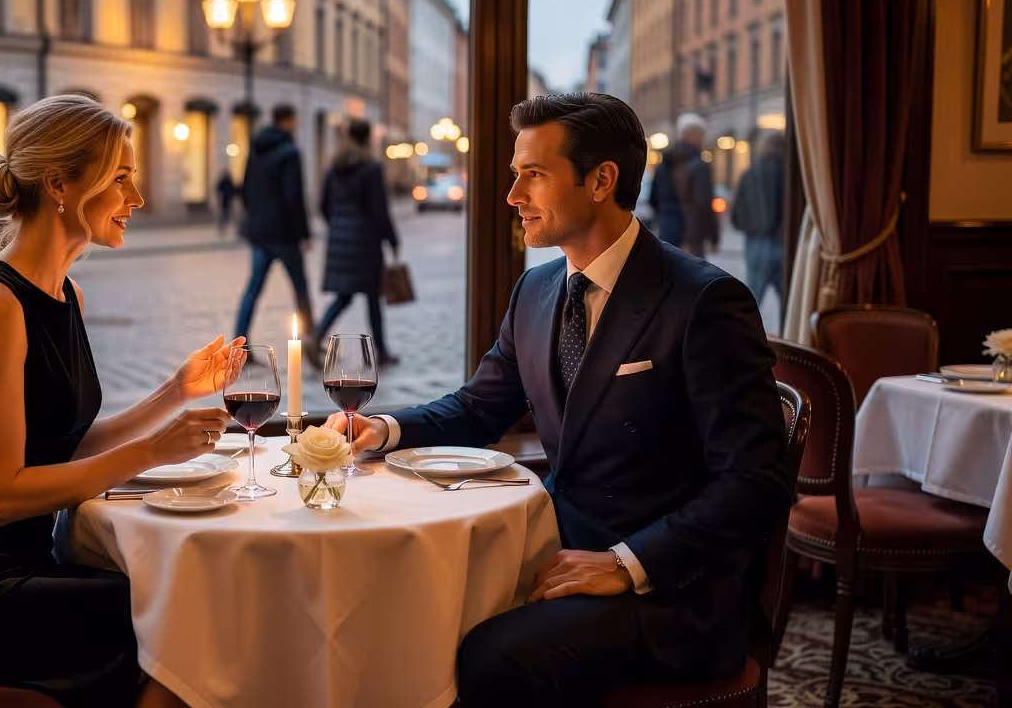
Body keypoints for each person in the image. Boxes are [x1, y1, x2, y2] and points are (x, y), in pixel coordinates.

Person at [328, 93, 791, 705]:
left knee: (491, 658)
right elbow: (479, 407)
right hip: (557, 550)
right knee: (408, 611)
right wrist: (380, 429)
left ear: (602, 180)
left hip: (676, 594)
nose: (513, 195)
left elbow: (755, 482)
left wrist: (626, 563)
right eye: (515, 175)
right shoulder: (537, 289)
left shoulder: (704, 302)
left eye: (534, 175)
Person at [0, 94, 240, 708]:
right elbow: (3, 495)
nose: (137, 200)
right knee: (172, 610)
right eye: (121, 178)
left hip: (14, 569)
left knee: (173, 601)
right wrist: (150, 451)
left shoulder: (64, 296)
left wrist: (176, 393)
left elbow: (61, 450)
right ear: (61, 184)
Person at [313, 118, 400, 365]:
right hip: (366, 242)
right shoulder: (371, 168)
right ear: (368, 138)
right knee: (373, 297)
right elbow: (379, 211)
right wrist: (392, 239)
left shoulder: (334, 167)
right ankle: (381, 351)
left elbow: (323, 206)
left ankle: (316, 336)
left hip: (340, 240)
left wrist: (338, 225)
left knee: (344, 296)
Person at [233, 104, 315, 351]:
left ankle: (239, 344)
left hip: (260, 232)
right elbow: (294, 197)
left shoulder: (255, 151)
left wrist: (255, 218)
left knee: (253, 289)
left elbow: (245, 189)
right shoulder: (289, 153)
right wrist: (303, 233)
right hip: (285, 234)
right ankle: (312, 340)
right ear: (288, 121)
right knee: (300, 288)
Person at [649, 113, 717, 257]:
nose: (703, 140)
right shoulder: (699, 165)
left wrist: (665, 217)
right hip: (691, 233)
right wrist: (713, 236)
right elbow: (704, 204)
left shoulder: (664, 164)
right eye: (701, 135)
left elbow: (653, 198)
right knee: (694, 277)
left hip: (667, 229)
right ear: (693, 135)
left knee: (669, 274)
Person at [730, 132, 785, 307]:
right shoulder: (788, 173)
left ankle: (743, 334)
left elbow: (736, 213)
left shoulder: (749, 173)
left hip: (755, 241)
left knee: (752, 297)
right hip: (782, 240)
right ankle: (790, 333)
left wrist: (750, 226)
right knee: (789, 299)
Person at [216, 169, 238, 236]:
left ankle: (225, 227)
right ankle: (222, 227)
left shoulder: (228, 181)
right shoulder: (224, 181)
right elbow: (219, 188)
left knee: (227, 214)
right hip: (225, 200)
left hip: (228, 200)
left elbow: (232, 189)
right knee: (224, 214)